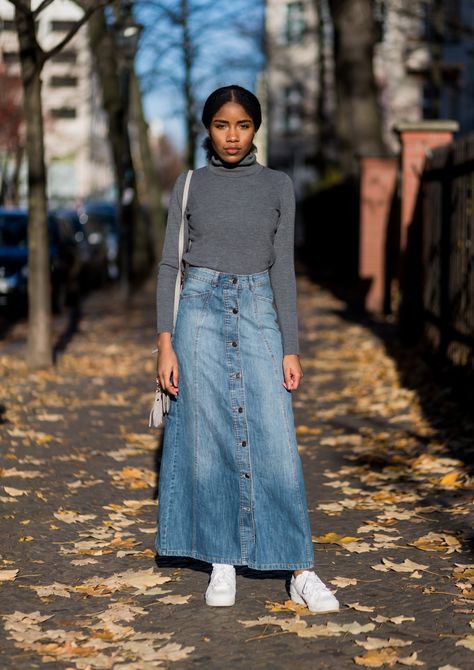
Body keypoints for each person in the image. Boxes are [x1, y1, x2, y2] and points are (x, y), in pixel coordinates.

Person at [154, 84, 339, 612]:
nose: (232, 135)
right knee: (207, 435)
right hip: (199, 310)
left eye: (242, 125)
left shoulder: (279, 186)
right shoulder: (188, 185)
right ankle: (221, 560)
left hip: (259, 310)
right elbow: (171, 266)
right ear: (207, 128)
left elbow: (284, 266)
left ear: (255, 128)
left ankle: (299, 566)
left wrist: (291, 346)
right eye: (221, 125)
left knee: (276, 438)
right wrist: (164, 345)